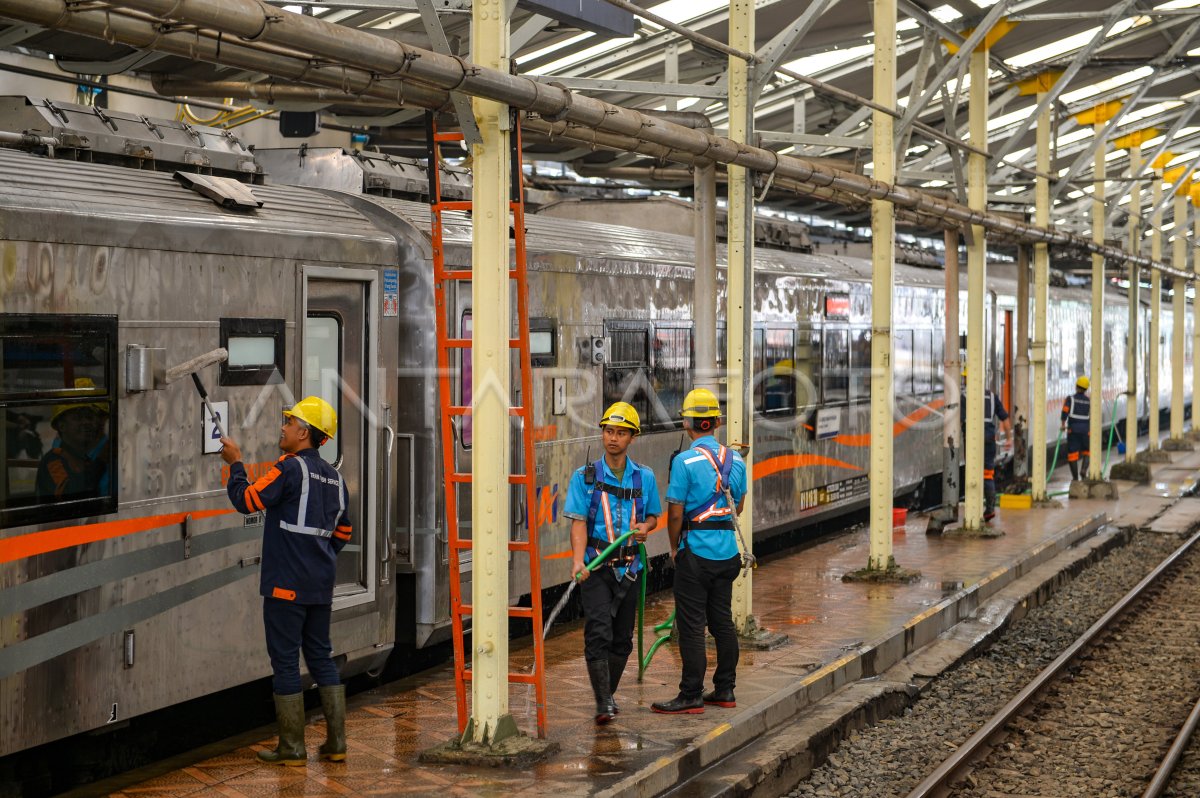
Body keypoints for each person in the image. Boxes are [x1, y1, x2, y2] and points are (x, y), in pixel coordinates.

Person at [220, 396, 351, 767]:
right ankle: (336, 744)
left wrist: (236, 464)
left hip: (285, 586)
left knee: (286, 663)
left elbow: (247, 501)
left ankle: (292, 747)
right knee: (321, 658)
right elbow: (344, 532)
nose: (284, 426)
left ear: (304, 433)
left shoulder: (289, 468)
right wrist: (318, 558)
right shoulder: (337, 480)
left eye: (290, 422)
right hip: (319, 586)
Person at [564, 402, 661, 724]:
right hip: (596, 567)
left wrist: (646, 528)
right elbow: (578, 521)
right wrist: (578, 561)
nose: (613, 438)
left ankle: (609, 694)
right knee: (598, 633)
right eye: (609, 432)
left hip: (630, 570)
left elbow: (653, 517)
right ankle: (603, 702)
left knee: (622, 640)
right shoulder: (585, 477)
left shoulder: (644, 478)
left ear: (632, 437)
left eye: (620, 433)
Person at [652, 388, 747, 715]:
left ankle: (691, 693)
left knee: (692, 625)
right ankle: (725, 689)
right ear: (717, 422)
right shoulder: (736, 460)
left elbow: (675, 513)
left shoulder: (683, 461)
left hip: (696, 555)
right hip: (727, 555)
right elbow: (739, 508)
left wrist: (675, 548)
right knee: (722, 621)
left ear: (686, 423)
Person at [35, 380, 110, 501]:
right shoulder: (53, 462)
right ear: (61, 426)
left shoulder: (83, 458)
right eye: (77, 418)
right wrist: (100, 462)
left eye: (89, 417)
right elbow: (72, 496)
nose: (86, 422)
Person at [961, 370, 1012, 522]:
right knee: (987, 474)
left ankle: (973, 510)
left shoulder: (964, 396)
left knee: (972, 473)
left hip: (972, 440)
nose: (964, 381)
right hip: (989, 439)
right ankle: (990, 508)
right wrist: (1009, 438)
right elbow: (1005, 418)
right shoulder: (991, 396)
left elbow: (960, 420)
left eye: (965, 378)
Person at [1061, 376, 1091, 481]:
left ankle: (1075, 478)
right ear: (1086, 389)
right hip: (1086, 430)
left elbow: (1065, 411)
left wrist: (1063, 424)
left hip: (1073, 430)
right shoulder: (1089, 401)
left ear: (1076, 386)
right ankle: (1083, 470)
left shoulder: (1070, 399)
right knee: (1087, 451)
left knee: (1073, 454)